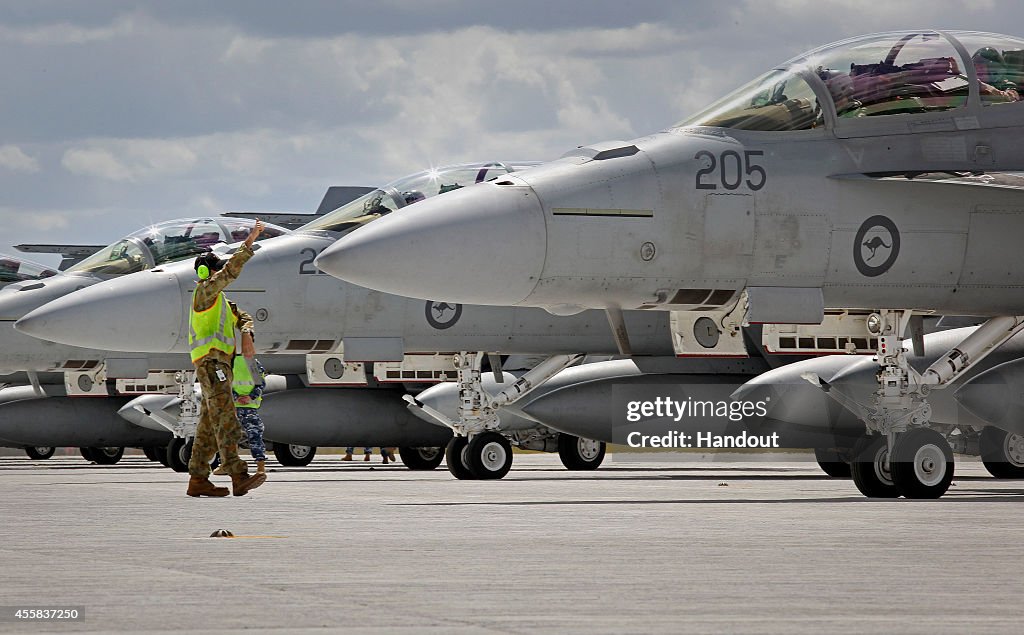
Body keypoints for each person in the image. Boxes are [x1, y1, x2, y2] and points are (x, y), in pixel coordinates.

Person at [185, 220, 267, 497]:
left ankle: (198, 479)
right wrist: (250, 241)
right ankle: (237, 474)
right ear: (208, 271)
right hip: (211, 365)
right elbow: (231, 272)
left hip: (219, 367)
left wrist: (246, 332)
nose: (220, 271)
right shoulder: (205, 292)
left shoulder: (222, 302)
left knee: (209, 426)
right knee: (226, 419)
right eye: (216, 267)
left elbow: (244, 317)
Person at [212, 355, 268, 476]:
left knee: (254, 435)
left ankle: (260, 466)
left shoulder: (251, 362)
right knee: (227, 436)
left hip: (247, 406)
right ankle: (226, 465)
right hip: (233, 406)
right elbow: (222, 382)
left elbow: (260, 382)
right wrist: (240, 397)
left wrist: (249, 397)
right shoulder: (227, 363)